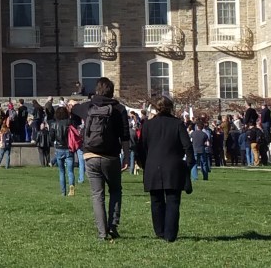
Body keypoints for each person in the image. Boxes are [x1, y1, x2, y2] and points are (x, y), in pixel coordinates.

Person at [71, 77, 131, 242]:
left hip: (90, 155)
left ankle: (102, 232)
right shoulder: (119, 109)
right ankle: (113, 226)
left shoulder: (89, 106)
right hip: (111, 156)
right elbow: (125, 136)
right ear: (112, 91)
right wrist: (126, 156)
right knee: (115, 191)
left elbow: (74, 109)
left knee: (97, 195)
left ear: (97, 90)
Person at [135, 96, 192, 243]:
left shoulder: (148, 125)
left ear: (156, 108)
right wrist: (189, 163)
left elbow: (141, 147)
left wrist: (143, 163)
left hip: (153, 165)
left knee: (156, 200)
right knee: (173, 200)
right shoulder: (178, 124)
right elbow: (187, 145)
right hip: (173, 165)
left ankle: (160, 230)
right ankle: (170, 233)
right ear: (171, 108)